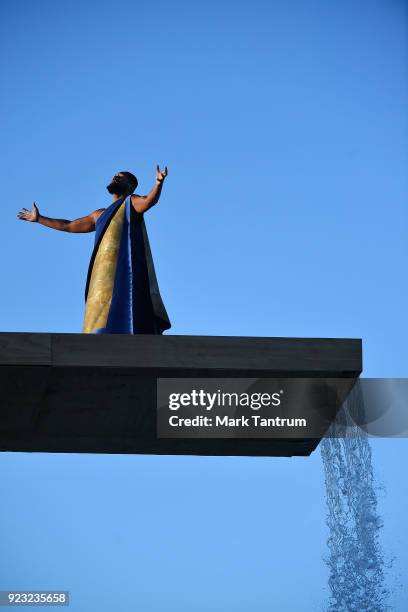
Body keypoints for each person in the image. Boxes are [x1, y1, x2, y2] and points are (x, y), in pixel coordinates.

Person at [16, 167, 172, 335]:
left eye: (121, 177)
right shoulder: (99, 214)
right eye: (114, 176)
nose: (115, 177)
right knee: (100, 312)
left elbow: (149, 201)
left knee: (127, 305)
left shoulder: (131, 203)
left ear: (131, 186)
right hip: (102, 274)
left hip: (124, 270)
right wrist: (39, 219)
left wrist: (158, 183)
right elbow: (69, 226)